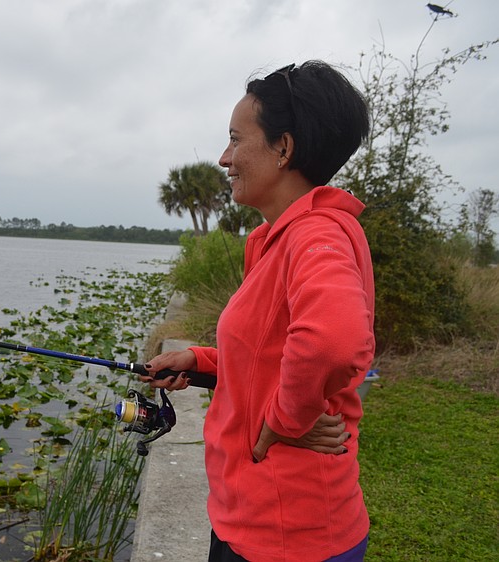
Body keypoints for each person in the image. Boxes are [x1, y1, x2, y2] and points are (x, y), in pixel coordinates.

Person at [143, 60, 375, 562]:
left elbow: (334, 340)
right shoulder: (282, 238)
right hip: (252, 518)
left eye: (235, 139)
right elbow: (271, 351)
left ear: (284, 148)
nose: (225, 158)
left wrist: (283, 421)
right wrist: (202, 361)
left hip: (286, 533)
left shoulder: (316, 234)